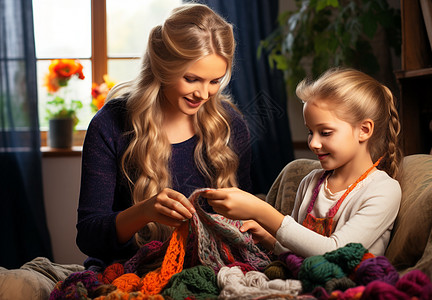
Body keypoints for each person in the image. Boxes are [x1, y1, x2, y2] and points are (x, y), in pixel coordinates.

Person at [76, 3, 252, 271]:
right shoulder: (110, 125)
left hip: (209, 270)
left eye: (215, 81)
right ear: (163, 67)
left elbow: (247, 220)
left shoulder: (229, 125)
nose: (204, 94)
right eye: (192, 79)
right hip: (127, 270)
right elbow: (88, 236)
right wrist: (144, 212)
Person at [202, 68, 402, 258]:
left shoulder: (383, 189)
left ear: (364, 130)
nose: (314, 143)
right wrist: (269, 240)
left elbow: (335, 253)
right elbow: (299, 253)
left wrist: (261, 212)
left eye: (325, 133)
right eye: (310, 132)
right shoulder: (311, 182)